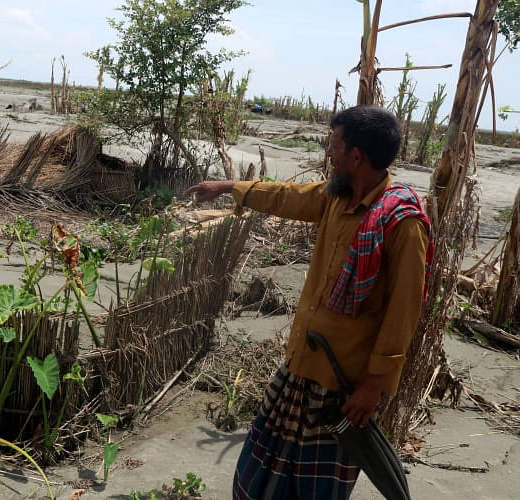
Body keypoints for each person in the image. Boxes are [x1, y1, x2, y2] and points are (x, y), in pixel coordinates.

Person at [185, 106, 433, 500]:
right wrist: (230, 187)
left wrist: (372, 387)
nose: (328, 154)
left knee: (316, 491)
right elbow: (287, 197)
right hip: (301, 365)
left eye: (333, 146)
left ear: (356, 157)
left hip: (343, 387)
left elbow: (404, 313)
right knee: (257, 476)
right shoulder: (336, 197)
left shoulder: (401, 223)